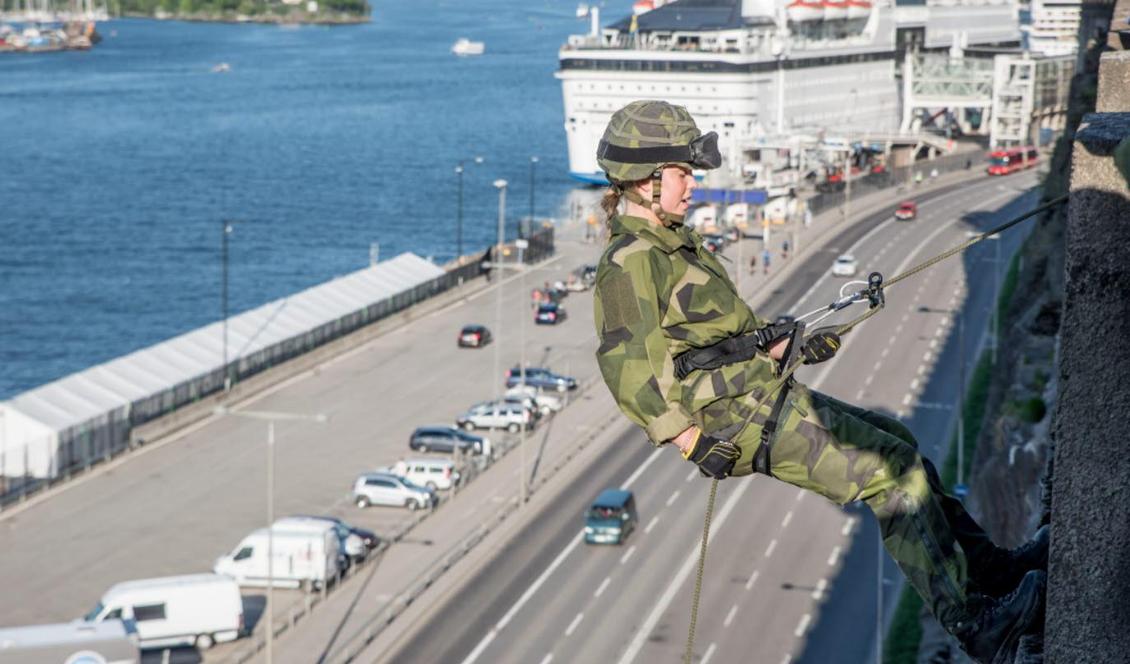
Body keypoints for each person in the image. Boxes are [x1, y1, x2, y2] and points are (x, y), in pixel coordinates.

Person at [591, 100, 1047, 664]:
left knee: (900, 444)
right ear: (645, 181)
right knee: (890, 477)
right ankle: (976, 623)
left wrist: (789, 346)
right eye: (684, 174)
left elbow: (710, 339)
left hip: (756, 395)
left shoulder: (670, 243)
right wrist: (691, 443)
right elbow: (626, 366)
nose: (694, 186)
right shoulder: (631, 260)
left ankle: (995, 571)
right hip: (734, 420)